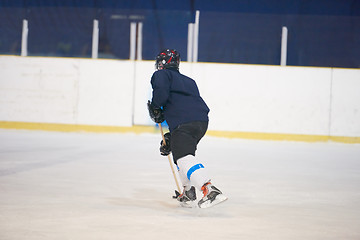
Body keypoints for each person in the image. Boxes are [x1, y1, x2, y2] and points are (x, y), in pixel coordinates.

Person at [147, 49, 227, 208]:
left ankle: (209, 189)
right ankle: (189, 192)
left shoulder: (162, 75)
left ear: (163, 63)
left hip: (184, 122)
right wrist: (172, 136)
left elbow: (161, 92)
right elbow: (183, 106)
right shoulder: (189, 80)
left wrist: (156, 108)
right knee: (182, 155)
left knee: (183, 157)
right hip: (200, 122)